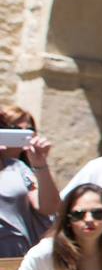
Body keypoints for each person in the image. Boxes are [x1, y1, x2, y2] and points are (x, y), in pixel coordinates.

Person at [0, 105, 61, 256]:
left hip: (15, 259)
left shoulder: (17, 168)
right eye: (14, 129)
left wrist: (40, 164)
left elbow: (49, 208)